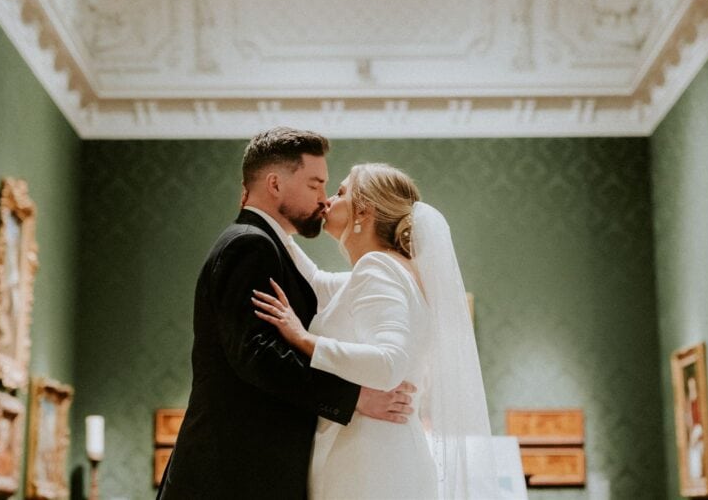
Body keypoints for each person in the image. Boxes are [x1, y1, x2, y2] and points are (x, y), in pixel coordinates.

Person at [158, 129, 415, 499]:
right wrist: (356, 398)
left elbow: (331, 282)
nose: (324, 199)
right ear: (275, 184)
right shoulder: (250, 245)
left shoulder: (271, 244)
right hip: (233, 475)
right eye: (315, 185)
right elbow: (258, 356)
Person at [254, 163, 496, 498]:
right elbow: (316, 282)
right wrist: (267, 215)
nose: (326, 201)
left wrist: (304, 339)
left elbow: (388, 364)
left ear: (363, 211)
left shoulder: (377, 267)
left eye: (340, 193)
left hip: (369, 458)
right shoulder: (387, 269)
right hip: (378, 450)